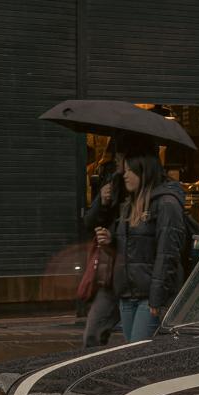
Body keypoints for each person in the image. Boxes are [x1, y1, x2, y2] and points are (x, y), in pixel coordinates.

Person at [96, 146, 186, 343]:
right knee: (131, 352)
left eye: (130, 170)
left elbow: (167, 253)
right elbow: (131, 250)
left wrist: (157, 297)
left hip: (149, 297)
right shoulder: (130, 204)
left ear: (144, 171)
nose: (124, 175)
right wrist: (111, 241)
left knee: (139, 351)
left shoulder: (166, 204)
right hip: (128, 293)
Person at [81, 148, 125, 348]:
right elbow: (90, 222)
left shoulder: (151, 193)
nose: (118, 163)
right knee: (93, 333)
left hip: (133, 273)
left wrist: (113, 237)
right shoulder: (113, 182)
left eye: (120, 159)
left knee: (137, 341)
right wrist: (102, 201)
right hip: (112, 272)